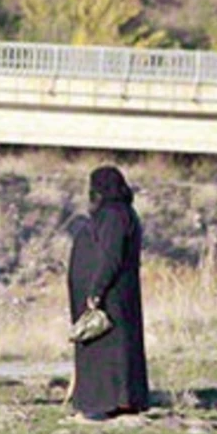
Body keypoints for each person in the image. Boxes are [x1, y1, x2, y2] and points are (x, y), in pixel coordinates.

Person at [66, 166, 149, 420]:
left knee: (109, 349)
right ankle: (118, 399)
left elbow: (110, 255)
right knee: (115, 348)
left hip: (111, 294)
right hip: (117, 292)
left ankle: (110, 401)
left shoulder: (113, 215)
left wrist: (96, 290)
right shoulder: (123, 213)